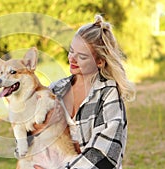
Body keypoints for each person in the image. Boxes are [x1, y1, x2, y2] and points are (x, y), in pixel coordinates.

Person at [33, 15, 136, 169]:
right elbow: (31, 136)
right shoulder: (56, 89)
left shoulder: (108, 94)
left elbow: (105, 155)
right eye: (71, 51)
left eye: (81, 56)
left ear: (100, 61)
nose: (72, 59)